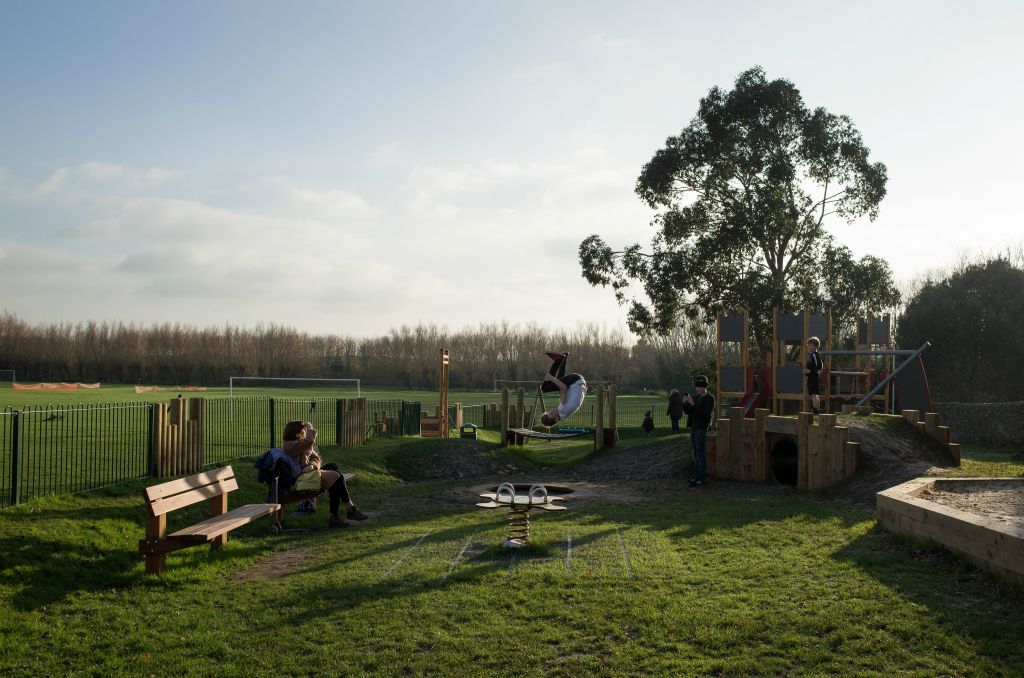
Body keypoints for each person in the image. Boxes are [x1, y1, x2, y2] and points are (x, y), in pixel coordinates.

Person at [282, 420, 367, 528]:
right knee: (337, 477)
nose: (305, 431)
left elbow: (316, 457)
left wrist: (312, 465)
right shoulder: (290, 445)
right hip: (301, 478)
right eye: (303, 430)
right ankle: (347, 510)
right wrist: (310, 428)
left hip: (309, 473)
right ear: (296, 432)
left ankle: (339, 514)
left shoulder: (300, 442)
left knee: (333, 468)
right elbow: (309, 442)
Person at [682, 375, 715, 487]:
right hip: (694, 427)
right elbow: (688, 412)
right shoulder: (695, 397)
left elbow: (705, 414)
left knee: (700, 453)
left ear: (705, 387)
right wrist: (685, 403)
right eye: (697, 387)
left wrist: (693, 404)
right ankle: (696, 476)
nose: (698, 389)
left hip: (701, 427)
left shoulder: (710, 399)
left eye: (700, 387)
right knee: (695, 453)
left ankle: (702, 477)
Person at [539, 352, 588, 428]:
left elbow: (563, 389)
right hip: (575, 380)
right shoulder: (561, 410)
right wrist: (551, 378)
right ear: (556, 419)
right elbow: (564, 388)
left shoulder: (564, 415)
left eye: (550, 411)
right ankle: (559, 360)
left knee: (559, 381)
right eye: (552, 413)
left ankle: (563, 358)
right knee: (544, 388)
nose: (553, 410)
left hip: (579, 382)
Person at [804, 336, 824, 415]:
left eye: (811, 345)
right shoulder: (813, 355)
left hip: (813, 377)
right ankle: (817, 410)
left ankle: (815, 411)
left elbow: (819, 366)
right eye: (808, 345)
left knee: (814, 395)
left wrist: (810, 371)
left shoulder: (814, 355)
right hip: (812, 377)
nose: (809, 346)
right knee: (815, 394)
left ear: (816, 346)